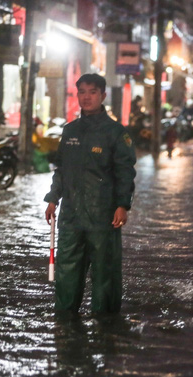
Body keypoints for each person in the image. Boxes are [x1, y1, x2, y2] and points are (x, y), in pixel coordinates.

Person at [44, 73, 137, 315]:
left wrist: (122, 205)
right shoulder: (70, 131)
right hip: (71, 216)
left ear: (103, 96)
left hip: (103, 215)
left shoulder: (116, 133)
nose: (86, 97)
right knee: (66, 268)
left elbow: (125, 172)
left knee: (105, 270)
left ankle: (105, 323)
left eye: (92, 92)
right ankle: (65, 322)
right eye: (82, 92)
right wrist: (53, 198)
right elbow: (61, 169)